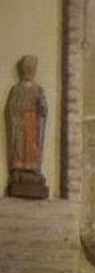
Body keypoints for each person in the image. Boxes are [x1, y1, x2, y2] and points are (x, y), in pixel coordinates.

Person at [5, 54, 48, 199]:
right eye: (27, 68)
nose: (29, 71)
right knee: (19, 146)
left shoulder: (38, 89)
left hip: (33, 124)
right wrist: (19, 111)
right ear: (22, 70)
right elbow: (11, 110)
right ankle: (19, 169)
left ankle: (33, 168)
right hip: (20, 124)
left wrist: (42, 108)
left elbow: (43, 109)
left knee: (32, 146)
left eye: (32, 68)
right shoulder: (16, 89)